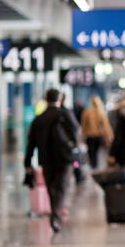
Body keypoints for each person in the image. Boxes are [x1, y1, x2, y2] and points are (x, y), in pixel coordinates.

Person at [24, 89, 79, 232]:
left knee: (51, 187)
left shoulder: (39, 118)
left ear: (45, 99)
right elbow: (75, 131)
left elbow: (31, 143)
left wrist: (27, 162)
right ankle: (55, 216)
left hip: (46, 158)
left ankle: (55, 215)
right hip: (65, 158)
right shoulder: (65, 114)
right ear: (59, 99)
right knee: (61, 187)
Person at [81, 95, 114, 169]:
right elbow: (106, 126)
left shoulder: (87, 112)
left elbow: (83, 125)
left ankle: (93, 165)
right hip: (99, 136)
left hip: (90, 136)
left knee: (91, 152)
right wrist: (110, 135)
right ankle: (96, 165)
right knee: (97, 152)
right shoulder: (101, 112)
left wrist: (82, 136)